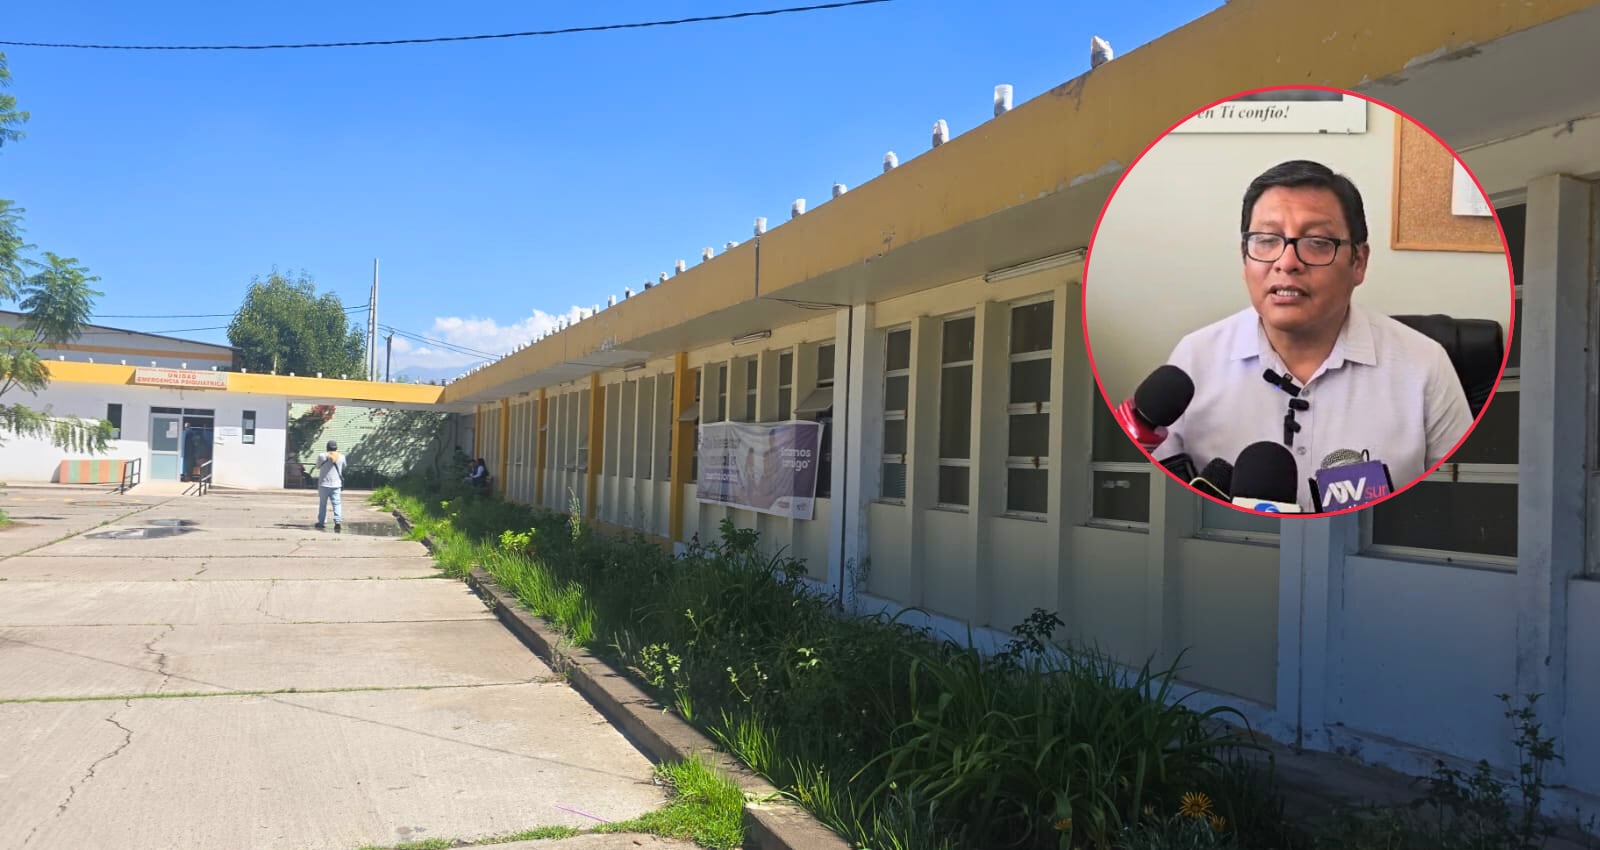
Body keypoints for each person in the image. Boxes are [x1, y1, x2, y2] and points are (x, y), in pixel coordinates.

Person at [1151, 159, 1475, 510]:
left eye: (1317, 242)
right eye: (1266, 240)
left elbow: (1459, 503)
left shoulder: (1424, 365)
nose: (1287, 262)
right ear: (1245, 259)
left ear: (1359, 262)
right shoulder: (1194, 360)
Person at [315, 440, 347, 532]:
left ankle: (321, 522)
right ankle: (337, 521)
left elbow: (317, 466)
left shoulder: (322, 456)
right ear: (336, 448)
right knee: (336, 503)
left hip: (324, 484)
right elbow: (344, 466)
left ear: (327, 447)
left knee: (323, 504)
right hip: (336, 484)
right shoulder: (342, 457)